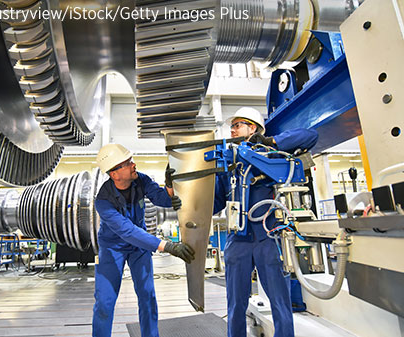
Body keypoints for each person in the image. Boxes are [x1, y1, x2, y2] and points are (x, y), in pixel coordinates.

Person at [214, 107, 318, 337]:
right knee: (235, 306)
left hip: (266, 237)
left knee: (281, 303)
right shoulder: (228, 166)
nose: (232, 130)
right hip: (237, 241)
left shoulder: (269, 156)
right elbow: (214, 204)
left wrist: (270, 142)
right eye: (231, 126)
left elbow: (311, 136)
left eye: (238, 125)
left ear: (253, 128)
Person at [93, 143, 195, 337]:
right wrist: (168, 246)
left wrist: (170, 186)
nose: (134, 165)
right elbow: (127, 231)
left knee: (147, 295)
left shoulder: (141, 180)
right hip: (113, 248)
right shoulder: (103, 201)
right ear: (114, 174)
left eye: (131, 160)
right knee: (104, 302)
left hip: (139, 248)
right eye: (127, 163)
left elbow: (161, 199)